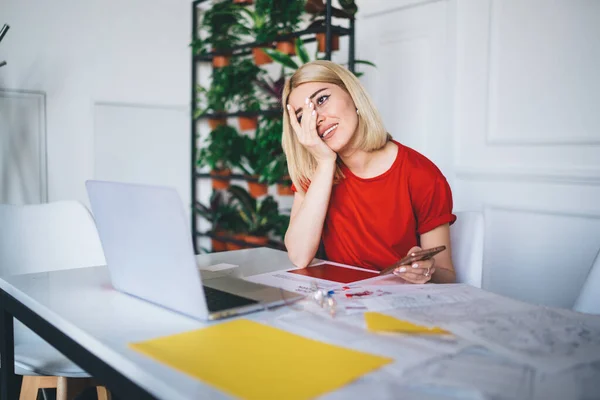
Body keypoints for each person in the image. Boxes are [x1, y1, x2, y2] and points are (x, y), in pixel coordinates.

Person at [282, 60, 457, 284]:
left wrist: (425, 271)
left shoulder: (420, 174)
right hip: (341, 306)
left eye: (322, 100)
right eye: (302, 116)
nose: (317, 118)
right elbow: (299, 256)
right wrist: (325, 164)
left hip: (399, 307)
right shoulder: (314, 173)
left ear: (352, 95)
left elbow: (447, 275)